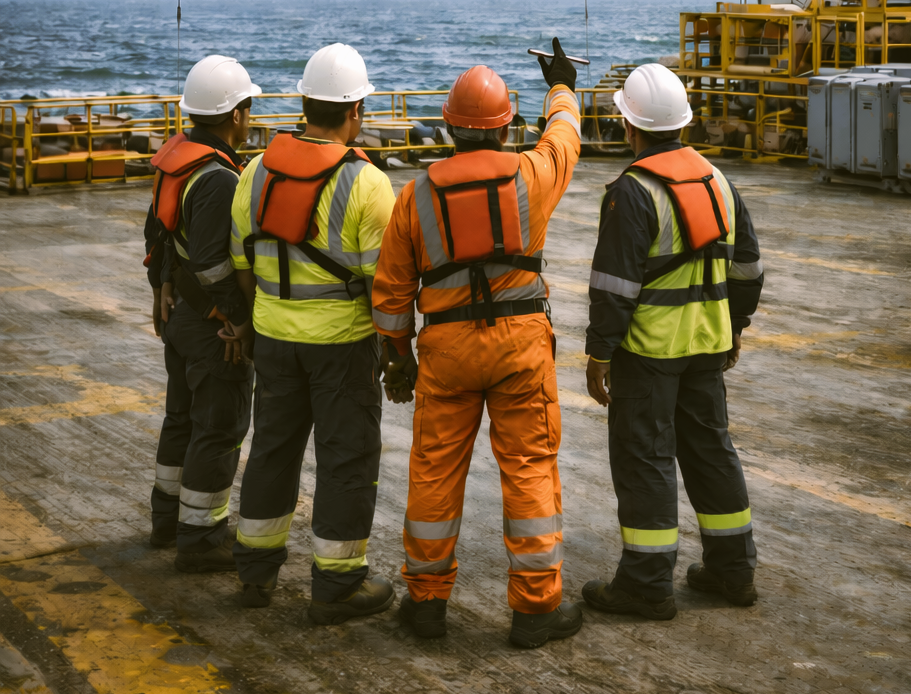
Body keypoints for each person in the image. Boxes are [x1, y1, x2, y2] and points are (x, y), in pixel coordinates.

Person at [372, 39, 582, 649]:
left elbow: (391, 296)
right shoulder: (532, 175)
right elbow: (565, 137)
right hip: (521, 346)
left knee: (435, 472)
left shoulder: (416, 197)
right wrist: (561, 86)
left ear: (448, 129)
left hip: (446, 350)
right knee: (530, 468)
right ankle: (536, 610)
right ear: (506, 126)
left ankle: (426, 604)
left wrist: (398, 359)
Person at [581, 63, 764, 618]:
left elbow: (614, 286)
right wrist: (734, 326)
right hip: (708, 345)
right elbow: (749, 269)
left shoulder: (632, 191)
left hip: (648, 351)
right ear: (683, 122)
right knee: (711, 452)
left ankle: (645, 583)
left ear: (628, 125)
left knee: (645, 459)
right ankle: (733, 571)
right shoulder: (718, 181)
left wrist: (599, 352)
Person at [225, 44, 396, 624]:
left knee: (271, 451)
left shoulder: (255, 172)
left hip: (273, 339)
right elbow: (384, 287)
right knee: (347, 459)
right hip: (342, 347)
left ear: (303, 104)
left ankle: (255, 572)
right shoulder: (368, 183)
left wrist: (262, 322)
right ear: (356, 111)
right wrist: (395, 352)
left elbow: (242, 263)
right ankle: (338, 585)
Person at [146, 55, 260, 572]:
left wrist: (161, 286)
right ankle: (200, 538)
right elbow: (215, 264)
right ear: (235, 114)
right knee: (218, 426)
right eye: (248, 107)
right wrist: (236, 319)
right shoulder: (218, 178)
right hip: (211, 325)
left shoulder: (178, 160)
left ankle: (167, 520)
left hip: (180, 318)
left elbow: (158, 233)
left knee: (181, 418)